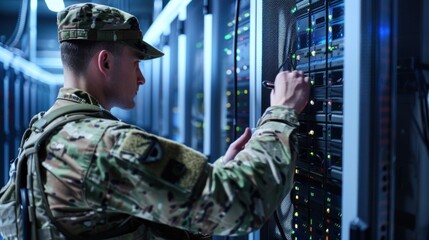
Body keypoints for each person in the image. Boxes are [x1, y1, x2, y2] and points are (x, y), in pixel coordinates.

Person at [25, 2, 309, 239]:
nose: (141, 78)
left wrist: (219, 171)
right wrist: (282, 112)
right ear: (106, 63)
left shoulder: (45, 130)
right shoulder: (104, 144)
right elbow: (241, 203)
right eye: (136, 63)